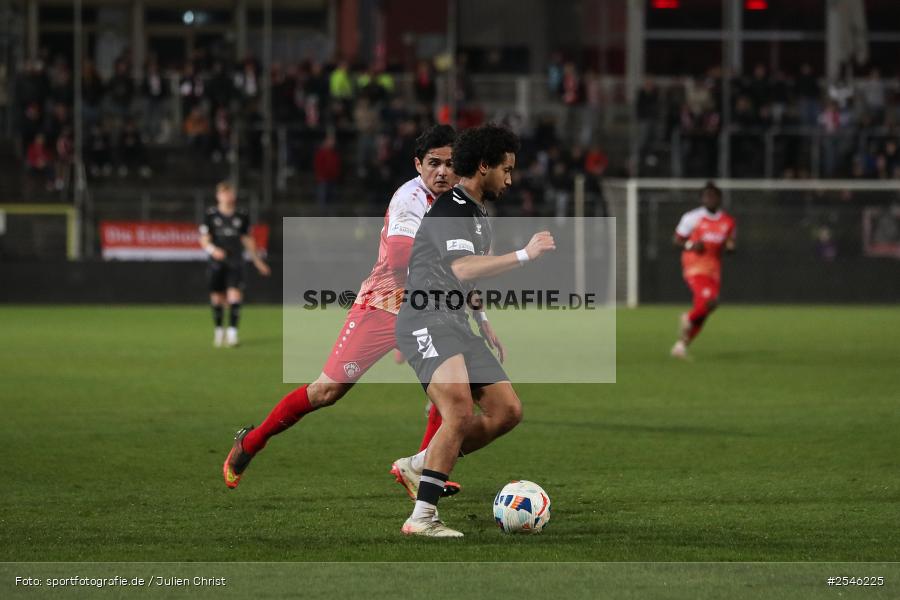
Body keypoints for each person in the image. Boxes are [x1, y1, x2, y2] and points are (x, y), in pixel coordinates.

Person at [223, 125, 473, 497]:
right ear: (418, 164)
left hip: (427, 306)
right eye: (433, 163)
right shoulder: (410, 199)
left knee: (452, 391)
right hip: (383, 305)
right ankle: (252, 442)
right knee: (326, 391)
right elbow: (402, 257)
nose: (441, 171)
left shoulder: (458, 202)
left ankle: (424, 467)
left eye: (450, 164)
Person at [393, 124, 556, 537]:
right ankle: (422, 518)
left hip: (454, 322)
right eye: (506, 168)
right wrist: (525, 254)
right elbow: (462, 268)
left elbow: (462, 279)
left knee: (507, 412)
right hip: (425, 319)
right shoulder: (453, 207)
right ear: (484, 166)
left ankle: (420, 463)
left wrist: (482, 321)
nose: (510, 178)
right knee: (460, 412)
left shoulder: (478, 214)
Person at [199, 181, 270, 348]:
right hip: (216, 263)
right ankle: (219, 331)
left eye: (230, 193)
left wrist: (258, 261)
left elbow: (247, 239)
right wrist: (212, 250)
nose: (227, 196)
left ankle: (232, 334)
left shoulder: (242, 215)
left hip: (235, 262)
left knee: (234, 296)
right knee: (217, 298)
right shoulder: (210, 215)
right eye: (224, 193)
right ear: (218, 196)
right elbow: (203, 238)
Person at [670, 182, 736, 359]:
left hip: (714, 269)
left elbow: (729, 241)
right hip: (694, 266)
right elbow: (676, 240)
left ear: (719, 198)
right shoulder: (692, 218)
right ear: (702, 198)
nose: (710, 199)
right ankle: (689, 319)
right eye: (707, 196)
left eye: (714, 196)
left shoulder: (727, 221)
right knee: (707, 302)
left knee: (709, 306)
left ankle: (681, 345)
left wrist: (730, 247)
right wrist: (691, 244)